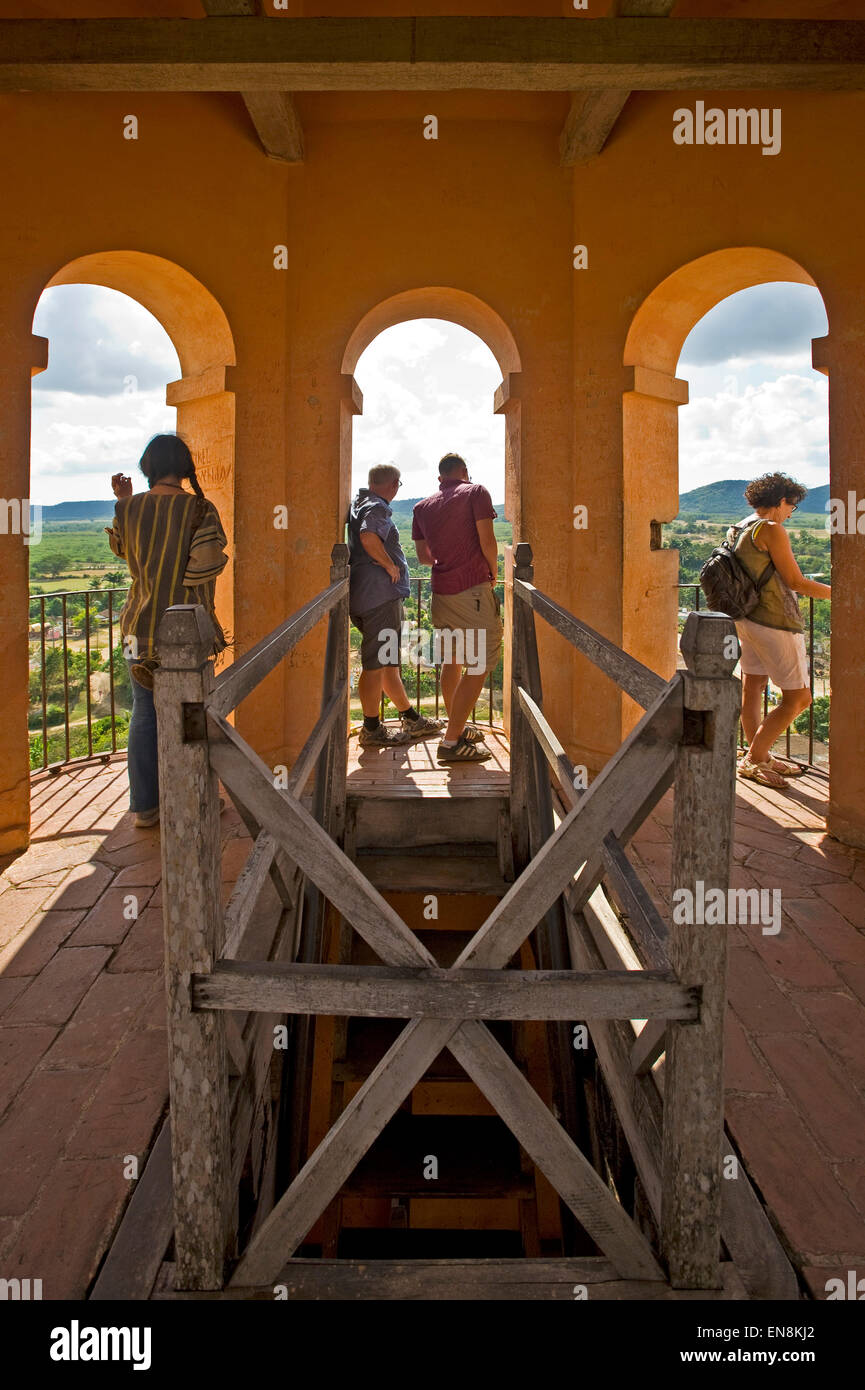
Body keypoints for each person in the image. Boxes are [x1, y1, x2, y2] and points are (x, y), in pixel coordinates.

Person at [106, 434, 229, 827]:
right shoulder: (198, 509)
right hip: (184, 629)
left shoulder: (130, 509)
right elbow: (206, 562)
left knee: (144, 713)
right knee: (191, 710)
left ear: (148, 468)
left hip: (136, 626)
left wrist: (124, 501)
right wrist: (185, 585)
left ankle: (145, 806)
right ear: (184, 467)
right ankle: (192, 796)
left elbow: (124, 551)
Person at [730, 472, 831, 789]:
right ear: (781, 500)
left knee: (753, 689)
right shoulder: (771, 530)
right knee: (800, 698)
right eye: (792, 506)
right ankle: (754, 759)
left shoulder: (738, 529)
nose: (791, 512)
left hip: (744, 619)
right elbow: (796, 582)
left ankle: (758, 757)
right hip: (773, 621)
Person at [412, 454, 502, 764]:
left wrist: (446, 559)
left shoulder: (421, 507)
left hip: (442, 594)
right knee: (479, 664)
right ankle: (451, 743)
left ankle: (457, 728)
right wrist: (494, 572)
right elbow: (488, 541)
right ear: (463, 472)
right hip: (471, 592)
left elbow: (424, 558)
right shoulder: (475, 492)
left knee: (452, 662)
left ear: (440, 478)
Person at [347, 464, 441, 747]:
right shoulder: (378, 508)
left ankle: (411, 719)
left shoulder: (360, 503)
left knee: (386, 660)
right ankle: (372, 729)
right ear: (394, 484)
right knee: (376, 664)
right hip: (379, 597)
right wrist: (390, 565)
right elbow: (368, 536)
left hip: (366, 595)